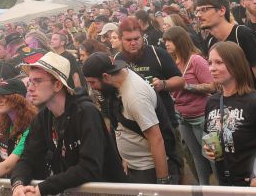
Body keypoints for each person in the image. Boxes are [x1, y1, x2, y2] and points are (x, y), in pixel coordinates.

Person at [10, 52, 126, 196]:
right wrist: (18, 184)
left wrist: (42, 189)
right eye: (30, 82)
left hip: (106, 191)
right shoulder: (42, 117)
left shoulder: (86, 113)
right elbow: (28, 158)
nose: (30, 88)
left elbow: (90, 167)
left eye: (37, 81)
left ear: (58, 85)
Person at [82, 52, 175, 184]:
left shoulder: (136, 96)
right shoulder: (118, 80)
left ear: (106, 76)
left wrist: (162, 182)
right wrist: (126, 159)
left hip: (148, 170)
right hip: (135, 166)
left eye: (92, 82)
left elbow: (156, 140)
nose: (92, 87)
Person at [203, 41, 256, 186]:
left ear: (236, 65)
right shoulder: (212, 102)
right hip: (226, 183)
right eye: (210, 63)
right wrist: (208, 149)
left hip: (254, 183)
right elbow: (211, 136)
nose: (212, 68)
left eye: (219, 62)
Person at [198, 0, 256, 104]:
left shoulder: (242, 34)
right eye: (197, 11)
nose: (198, 15)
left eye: (204, 9)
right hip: (234, 108)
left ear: (221, 11)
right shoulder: (211, 42)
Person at [162, 26, 214, 185]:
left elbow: (212, 86)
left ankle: (222, 188)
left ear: (180, 41)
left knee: (212, 157)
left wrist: (186, 86)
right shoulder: (171, 62)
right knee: (196, 157)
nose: (166, 44)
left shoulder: (195, 60)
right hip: (183, 118)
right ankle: (203, 188)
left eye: (170, 41)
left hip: (202, 116)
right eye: (165, 41)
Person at [114, 17, 184, 134]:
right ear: (121, 39)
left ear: (142, 36)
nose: (133, 43)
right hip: (136, 129)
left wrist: (163, 84)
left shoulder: (157, 53)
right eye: (128, 40)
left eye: (136, 38)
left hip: (164, 123)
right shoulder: (117, 59)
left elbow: (181, 81)